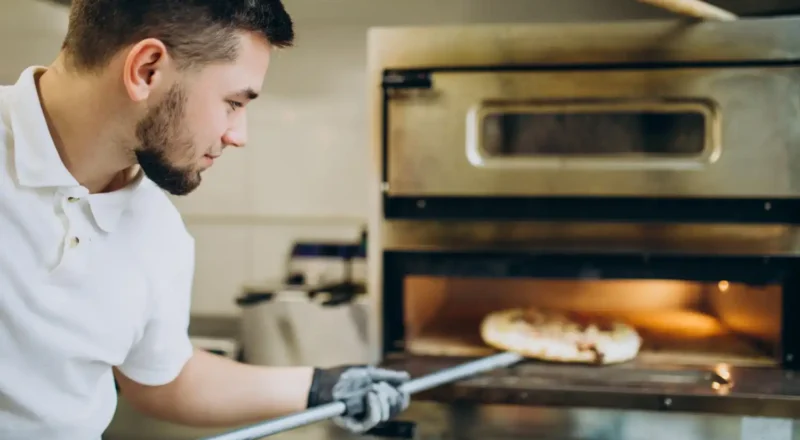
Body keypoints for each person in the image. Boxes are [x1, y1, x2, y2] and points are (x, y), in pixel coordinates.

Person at [0, 0, 411, 438]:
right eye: (233, 102)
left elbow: (163, 377)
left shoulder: (156, 231)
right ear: (147, 70)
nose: (239, 136)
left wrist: (320, 388)